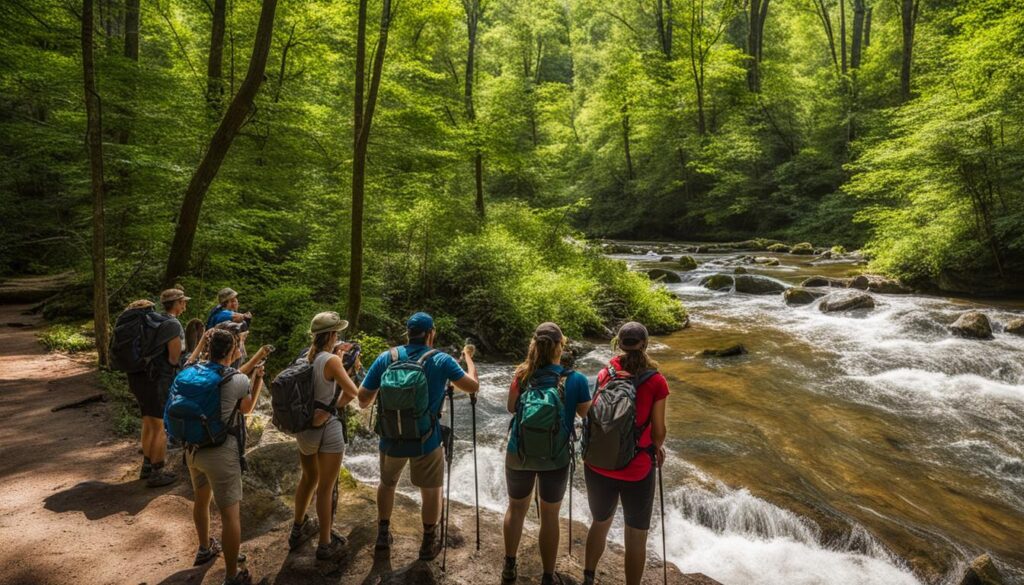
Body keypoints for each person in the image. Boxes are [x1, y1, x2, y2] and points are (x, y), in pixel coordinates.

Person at [357, 312, 479, 561]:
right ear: (431, 333)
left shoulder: (386, 357)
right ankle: (427, 541)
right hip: (427, 439)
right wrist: (468, 358)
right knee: (431, 490)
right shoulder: (442, 360)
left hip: (391, 439)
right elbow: (472, 386)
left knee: (387, 484)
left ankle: (382, 534)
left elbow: (362, 399)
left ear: (408, 334)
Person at [502, 323, 592, 585]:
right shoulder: (574, 379)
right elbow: (587, 415)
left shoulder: (522, 374)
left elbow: (511, 408)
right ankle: (547, 576)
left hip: (519, 452)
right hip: (556, 458)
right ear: (559, 347)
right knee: (550, 515)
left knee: (516, 508)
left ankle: (509, 566)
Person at [582, 322, 668, 585]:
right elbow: (659, 433)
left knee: (600, 522)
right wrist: (658, 447)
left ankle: (588, 578)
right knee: (636, 534)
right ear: (645, 344)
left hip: (598, 463)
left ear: (618, 343)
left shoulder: (604, 373)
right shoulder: (656, 381)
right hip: (637, 468)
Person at [183, 328, 265, 585]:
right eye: (237, 346)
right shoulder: (237, 380)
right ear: (230, 351)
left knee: (201, 500)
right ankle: (232, 575)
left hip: (192, 450)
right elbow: (247, 409)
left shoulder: (191, 371)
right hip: (221, 453)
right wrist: (259, 379)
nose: (240, 350)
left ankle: (205, 548)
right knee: (230, 516)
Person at [289, 312, 361, 560]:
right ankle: (325, 543)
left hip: (304, 429)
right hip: (327, 429)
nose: (339, 336)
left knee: (307, 479)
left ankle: (297, 528)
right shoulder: (332, 360)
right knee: (326, 488)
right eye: (337, 333)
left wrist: (338, 359)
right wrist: (333, 406)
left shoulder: (304, 357)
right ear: (331, 335)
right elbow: (353, 393)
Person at [127, 288, 188, 487]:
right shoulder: (172, 324)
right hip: (157, 379)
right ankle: (157, 472)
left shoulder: (152, 321)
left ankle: (146, 465)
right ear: (177, 303)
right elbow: (174, 358)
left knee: (148, 421)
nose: (184, 305)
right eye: (183, 301)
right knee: (160, 426)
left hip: (138, 377)